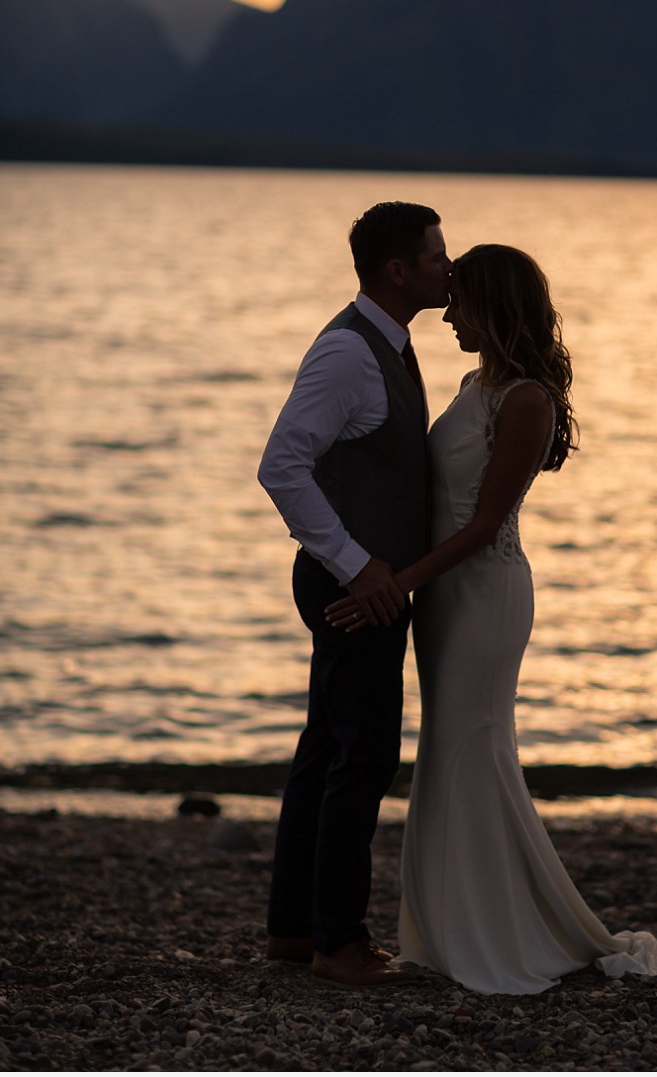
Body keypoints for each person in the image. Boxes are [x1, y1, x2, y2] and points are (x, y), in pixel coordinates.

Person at [328, 244, 657, 995]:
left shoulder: (525, 398)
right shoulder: (473, 381)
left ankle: (497, 934)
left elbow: (482, 522)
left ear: (493, 305)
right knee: (448, 750)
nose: (448, 312)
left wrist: (393, 585)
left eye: (460, 300)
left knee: (475, 747)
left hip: (484, 593)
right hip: (442, 599)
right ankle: (454, 926)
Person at [258, 200, 452, 989]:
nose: (450, 266)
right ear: (398, 269)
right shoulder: (348, 351)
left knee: (326, 747)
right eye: (438, 256)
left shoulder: (390, 345)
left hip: (359, 575)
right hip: (352, 582)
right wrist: (357, 563)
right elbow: (281, 465)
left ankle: (293, 931)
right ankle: (339, 941)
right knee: (362, 755)